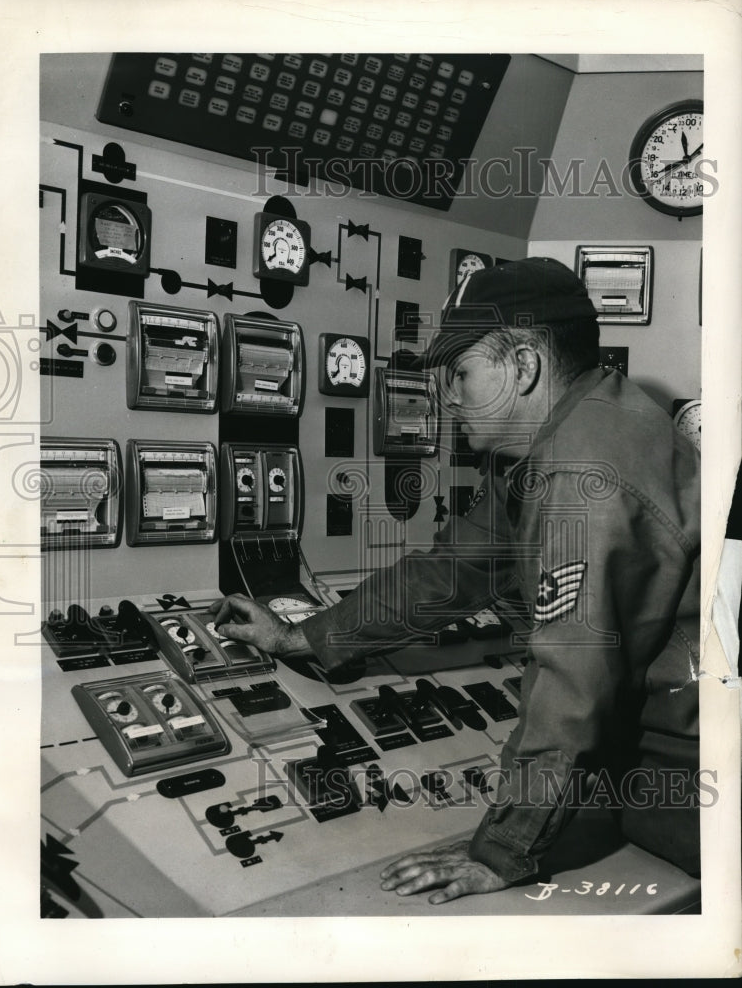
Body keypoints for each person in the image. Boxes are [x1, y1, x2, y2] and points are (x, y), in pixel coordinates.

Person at [210, 257, 701, 904]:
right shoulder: (580, 429)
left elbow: (573, 683)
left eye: (462, 371)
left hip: (684, 772)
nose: (448, 393)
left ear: (523, 367)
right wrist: (305, 638)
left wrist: (502, 852)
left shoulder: (580, 477)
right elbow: (450, 572)